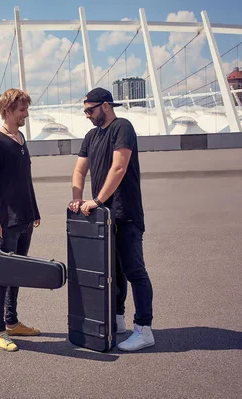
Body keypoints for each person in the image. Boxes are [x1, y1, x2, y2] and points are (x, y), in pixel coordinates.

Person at [68, 87, 155, 352]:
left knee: (134, 272)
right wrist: (77, 197)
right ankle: (117, 321)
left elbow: (119, 167)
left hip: (125, 214)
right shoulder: (91, 135)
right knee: (112, 274)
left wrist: (96, 201)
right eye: (84, 111)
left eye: (90, 110)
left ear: (105, 106)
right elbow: (79, 170)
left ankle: (144, 329)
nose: (87, 115)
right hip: (104, 219)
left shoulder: (122, 127)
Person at [0, 88, 42, 352]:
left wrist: (34, 210)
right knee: (1, 274)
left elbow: (24, 179)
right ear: (8, 110)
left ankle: (12, 322)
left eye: (26, 110)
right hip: (6, 221)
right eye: (22, 110)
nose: (26, 115)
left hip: (25, 218)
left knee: (17, 272)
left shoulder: (20, 138)